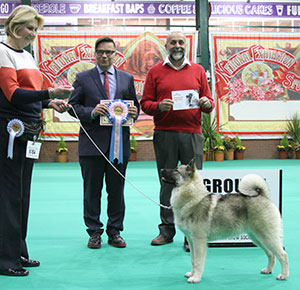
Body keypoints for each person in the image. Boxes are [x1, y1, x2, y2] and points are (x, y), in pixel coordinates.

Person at [0, 6, 73, 277]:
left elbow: (33, 95)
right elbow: (13, 95)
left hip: (28, 131)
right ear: (15, 27)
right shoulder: (3, 51)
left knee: (23, 194)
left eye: (35, 28)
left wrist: (50, 102)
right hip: (9, 132)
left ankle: (18, 251)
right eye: (30, 27)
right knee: (9, 196)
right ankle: (5, 259)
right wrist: (49, 91)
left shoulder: (28, 55)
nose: (33, 33)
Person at [140, 31, 214, 251]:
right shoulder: (155, 72)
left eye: (181, 42)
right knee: (167, 183)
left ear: (186, 45)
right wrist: (157, 106)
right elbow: (145, 103)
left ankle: (192, 233)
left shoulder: (198, 70)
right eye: (173, 42)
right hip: (165, 133)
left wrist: (206, 103)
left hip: (192, 133)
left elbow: (209, 101)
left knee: (194, 183)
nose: (177, 45)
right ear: (167, 46)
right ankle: (166, 229)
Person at [68, 36, 140, 249]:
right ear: (95, 54)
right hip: (91, 145)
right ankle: (94, 232)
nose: (105, 55)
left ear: (115, 54)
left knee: (116, 189)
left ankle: (115, 230)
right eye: (101, 52)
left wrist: (134, 113)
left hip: (119, 146)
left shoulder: (127, 78)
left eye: (109, 52)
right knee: (92, 190)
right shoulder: (83, 78)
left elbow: (134, 107)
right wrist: (91, 112)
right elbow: (73, 107)